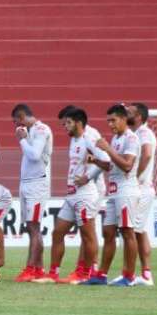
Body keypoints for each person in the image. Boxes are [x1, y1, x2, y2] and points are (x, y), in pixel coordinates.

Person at [38, 107, 105, 284]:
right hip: (71, 195)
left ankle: (86, 273)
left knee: (88, 235)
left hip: (85, 195)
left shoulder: (89, 138)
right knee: (57, 232)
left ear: (78, 122)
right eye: (63, 123)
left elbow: (106, 160)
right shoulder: (75, 140)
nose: (64, 126)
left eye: (67, 122)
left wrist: (87, 177)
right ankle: (53, 273)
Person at [86, 104, 142, 287]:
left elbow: (127, 165)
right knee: (108, 232)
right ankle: (101, 275)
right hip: (114, 191)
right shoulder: (116, 139)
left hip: (127, 192)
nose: (110, 124)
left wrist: (108, 149)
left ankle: (129, 276)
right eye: (108, 121)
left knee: (127, 231)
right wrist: (96, 161)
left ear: (124, 119)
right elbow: (112, 167)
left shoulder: (131, 139)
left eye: (113, 120)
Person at [11, 103, 53, 283]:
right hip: (27, 183)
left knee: (34, 226)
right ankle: (38, 268)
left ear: (22, 117)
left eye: (15, 121)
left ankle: (30, 268)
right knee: (31, 227)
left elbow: (35, 155)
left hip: (37, 184)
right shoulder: (30, 132)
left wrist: (21, 139)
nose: (16, 126)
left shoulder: (41, 129)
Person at [128, 102, 157, 286]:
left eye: (129, 112)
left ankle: (140, 274)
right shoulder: (137, 134)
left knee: (133, 230)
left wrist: (135, 176)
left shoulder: (144, 133)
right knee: (140, 231)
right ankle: (145, 274)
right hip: (142, 188)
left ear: (139, 116)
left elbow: (146, 154)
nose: (126, 115)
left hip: (142, 188)